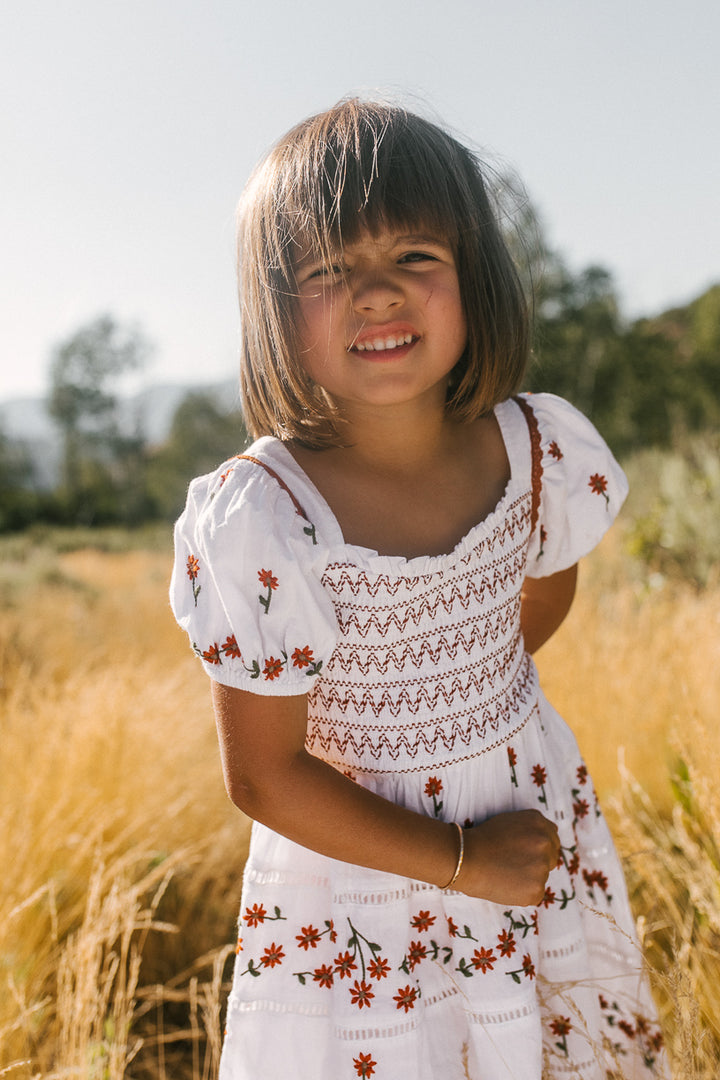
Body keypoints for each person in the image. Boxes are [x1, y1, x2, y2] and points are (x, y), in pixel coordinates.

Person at [170, 99, 666, 1080]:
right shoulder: (269, 516)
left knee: (539, 1042)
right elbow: (263, 775)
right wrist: (455, 852)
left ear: (474, 276)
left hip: (525, 816)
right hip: (360, 872)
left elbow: (536, 599)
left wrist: (469, 710)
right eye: (327, 270)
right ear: (276, 312)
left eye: (415, 257)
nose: (377, 294)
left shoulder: (534, 450)